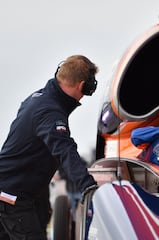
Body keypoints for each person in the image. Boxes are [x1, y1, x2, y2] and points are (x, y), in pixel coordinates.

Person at [0, 55, 98, 239]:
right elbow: (64, 150)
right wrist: (88, 186)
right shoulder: (50, 111)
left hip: (15, 192)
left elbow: (43, 148)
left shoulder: (37, 98)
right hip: (12, 197)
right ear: (82, 85)